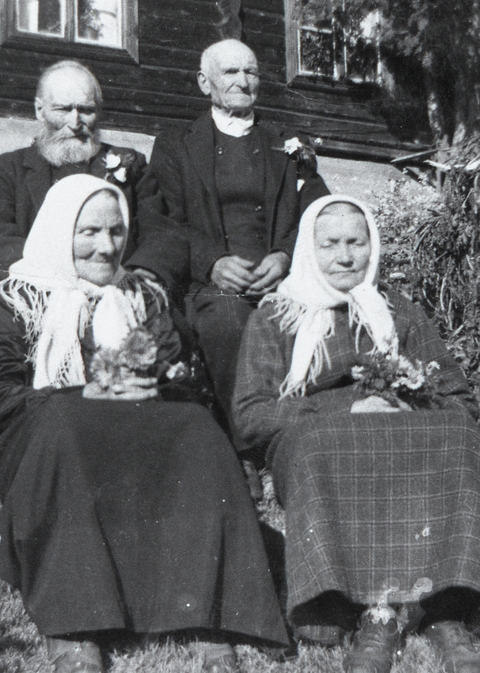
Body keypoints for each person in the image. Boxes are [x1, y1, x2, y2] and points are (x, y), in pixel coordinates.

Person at [0, 174, 290, 673]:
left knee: (198, 430)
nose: (105, 247)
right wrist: (83, 393)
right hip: (42, 442)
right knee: (68, 423)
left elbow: (177, 375)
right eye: (89, 232)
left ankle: (208, 610)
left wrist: (163, 380)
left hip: (130, 436)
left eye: (116, 232)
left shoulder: (139, 295)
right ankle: (75, 625)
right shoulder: (18, 298)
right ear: (60, 231)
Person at [232, 196, 480, 673]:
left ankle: (444, 606)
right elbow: (249, 415)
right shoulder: (277, 316)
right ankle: (376, 613)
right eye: (330, 244)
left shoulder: (399, 311)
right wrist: (347, 405)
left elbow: (460, 400)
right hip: (318, 440)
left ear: (374, 246)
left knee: (457, 434)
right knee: (329, 443)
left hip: (400, 425)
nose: (346, 257)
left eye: (357, 242)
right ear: (310, 249)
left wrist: (401, 401)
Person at [127, 38, 329, 431]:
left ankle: (303, 429)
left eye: (250, 71)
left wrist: (285, 256)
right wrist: (213, 262)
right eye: (230, 72)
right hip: (212, 282)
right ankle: (246, 440)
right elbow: (162, 221)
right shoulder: (175, 144)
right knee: (229, 320)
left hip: (280, 276)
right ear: (205, 83)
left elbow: (317, 211)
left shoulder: (286, 141)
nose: (242, 81)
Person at [0, 60, 147, 340]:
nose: (75, 123)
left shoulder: (129, 164)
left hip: (111, 293)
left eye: (86, 110)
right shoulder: (6, 170)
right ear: (40, 110)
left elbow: (158, 234)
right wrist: (65, 275)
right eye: (63, 109)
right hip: (35, 296)